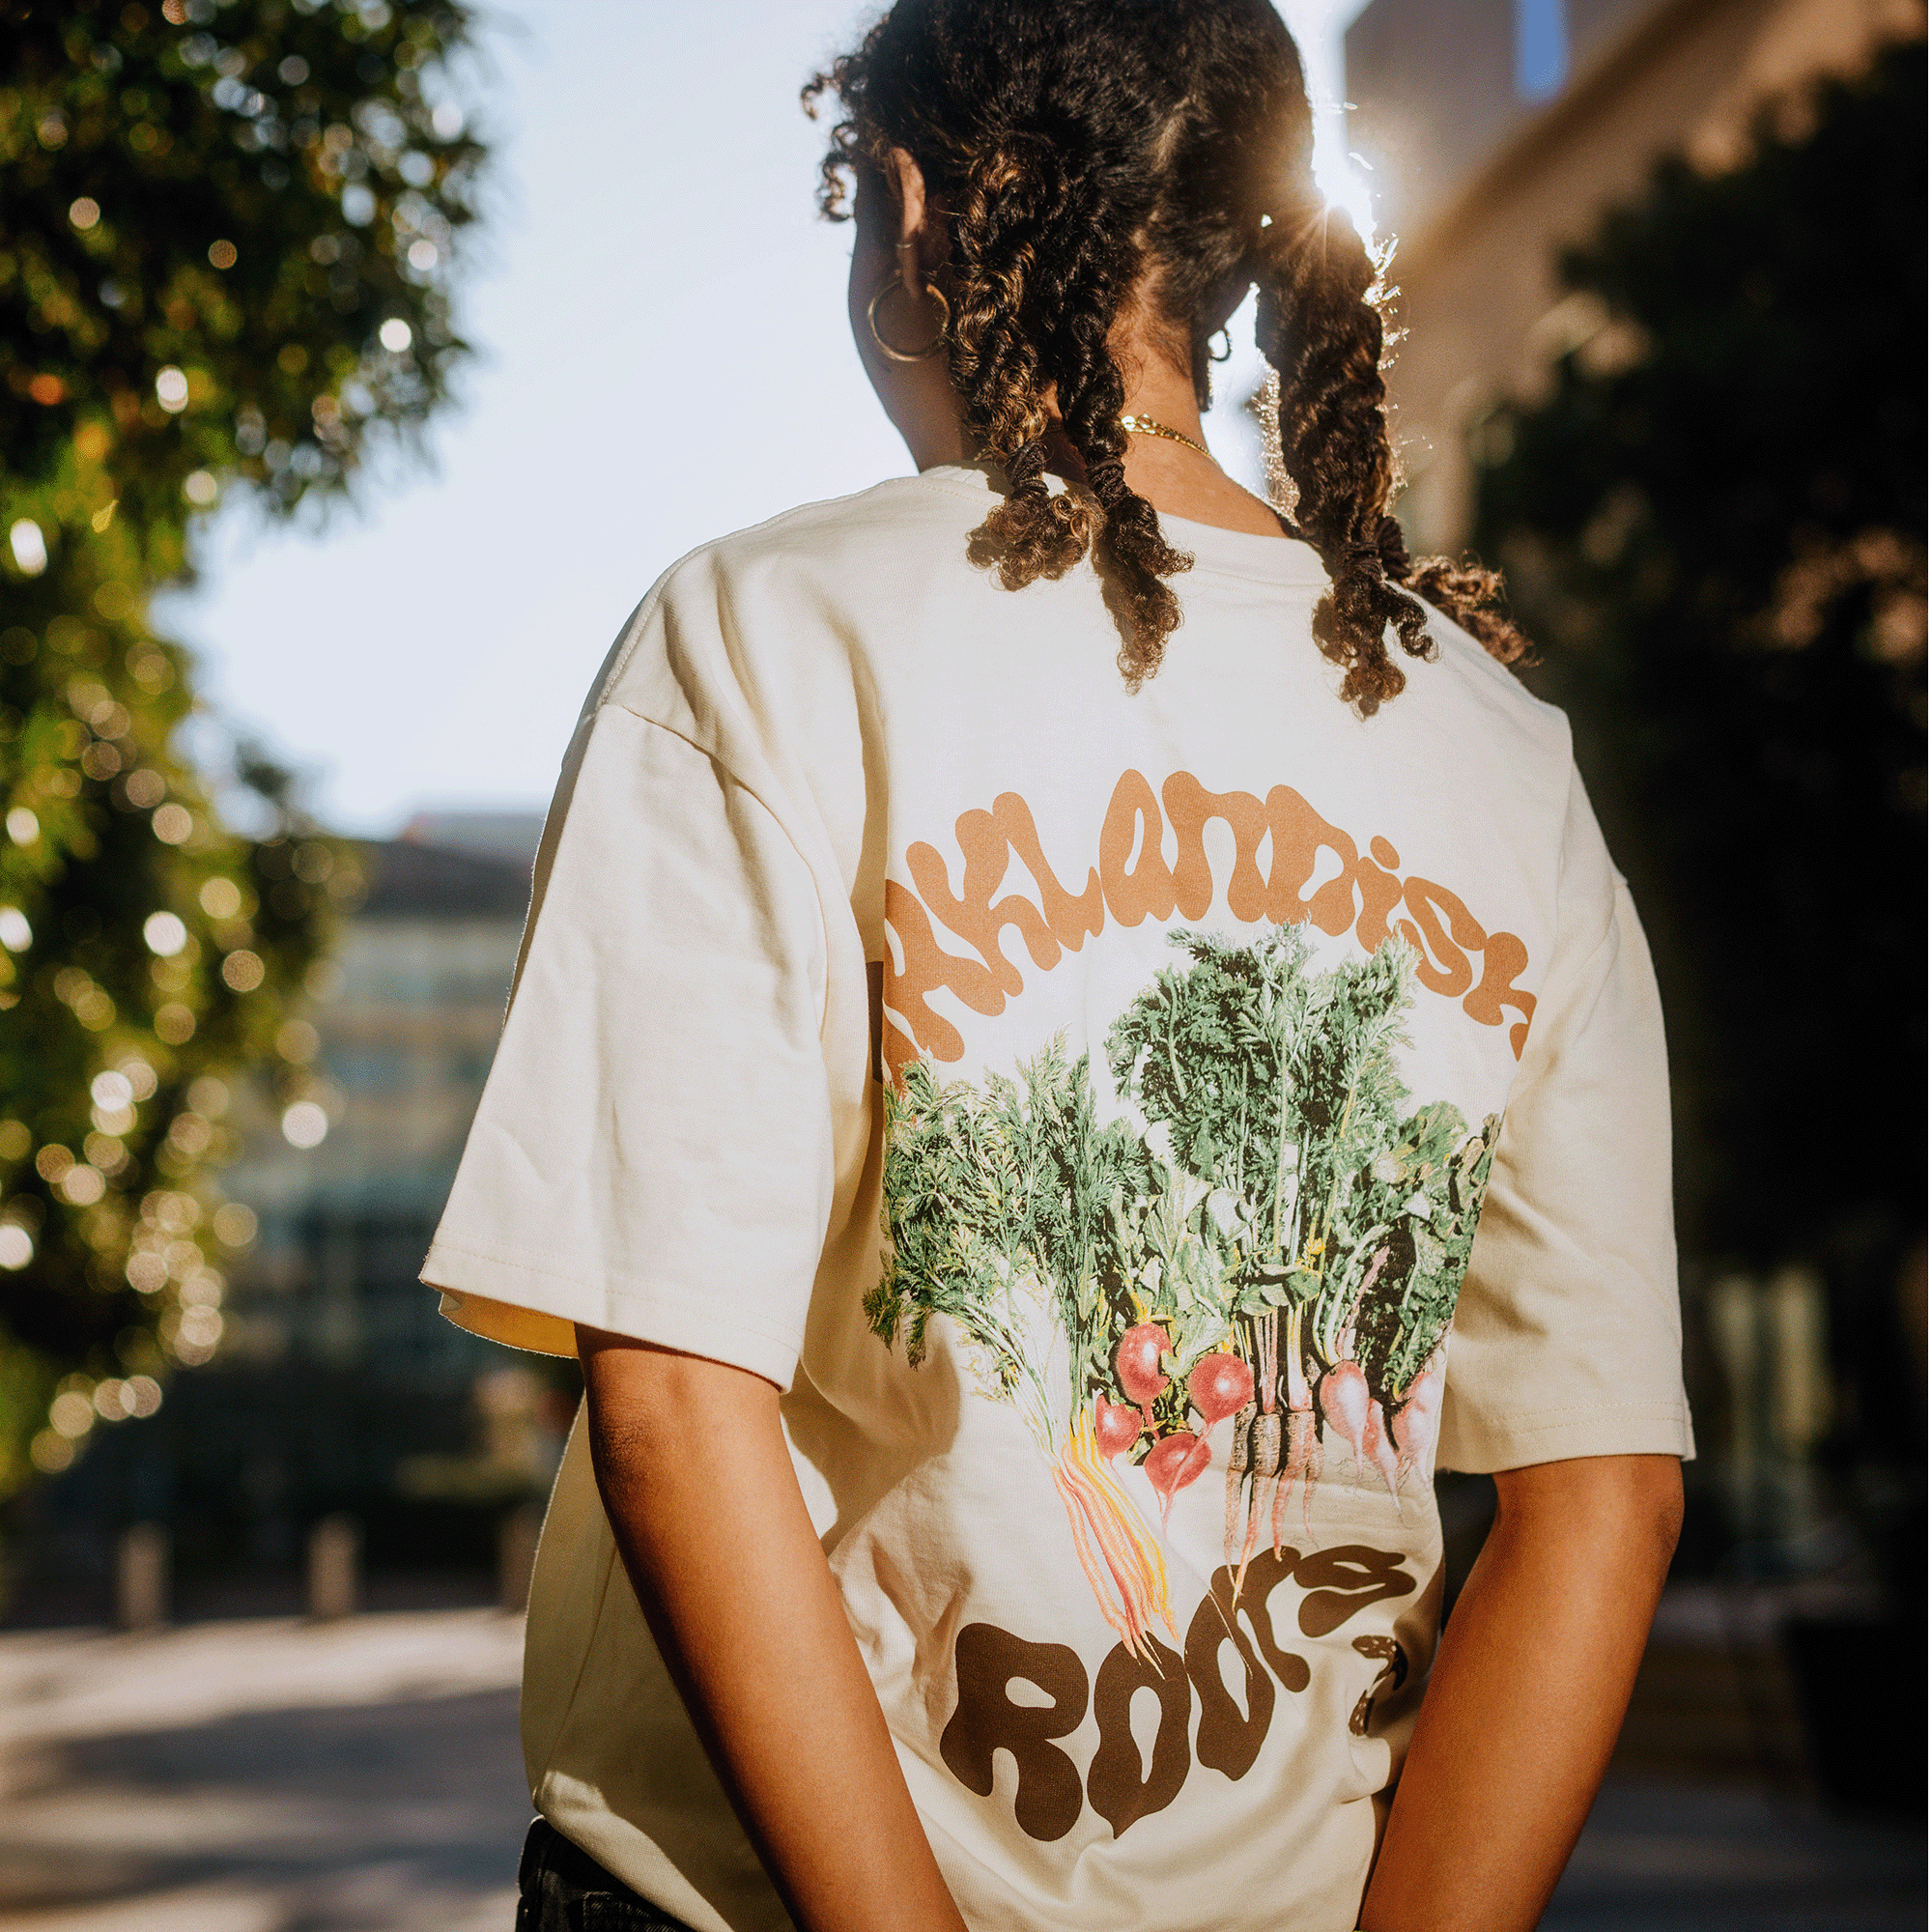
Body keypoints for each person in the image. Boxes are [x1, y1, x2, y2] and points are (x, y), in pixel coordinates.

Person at [421, 4, 1693, 1929]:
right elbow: (1604, 1494)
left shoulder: (767, 634)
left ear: (926, 202)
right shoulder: (1501, 755)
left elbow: (681, 1392)